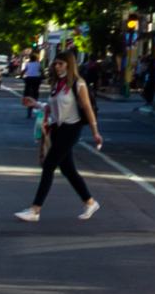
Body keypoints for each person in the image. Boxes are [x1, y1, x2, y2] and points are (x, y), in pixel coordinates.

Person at [18, 55, 102, 221]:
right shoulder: (57, 84)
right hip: (57, 128)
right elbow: (53, 107)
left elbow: (87, 108)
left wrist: (95, 132)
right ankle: (90, 202)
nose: (57, 66)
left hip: (71, 128)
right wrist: (35, 104)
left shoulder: (79, 83)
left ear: (69, 64)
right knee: (67, 169)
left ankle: (35, 210)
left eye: (61, 63)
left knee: (49, 165)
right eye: (55, 63)